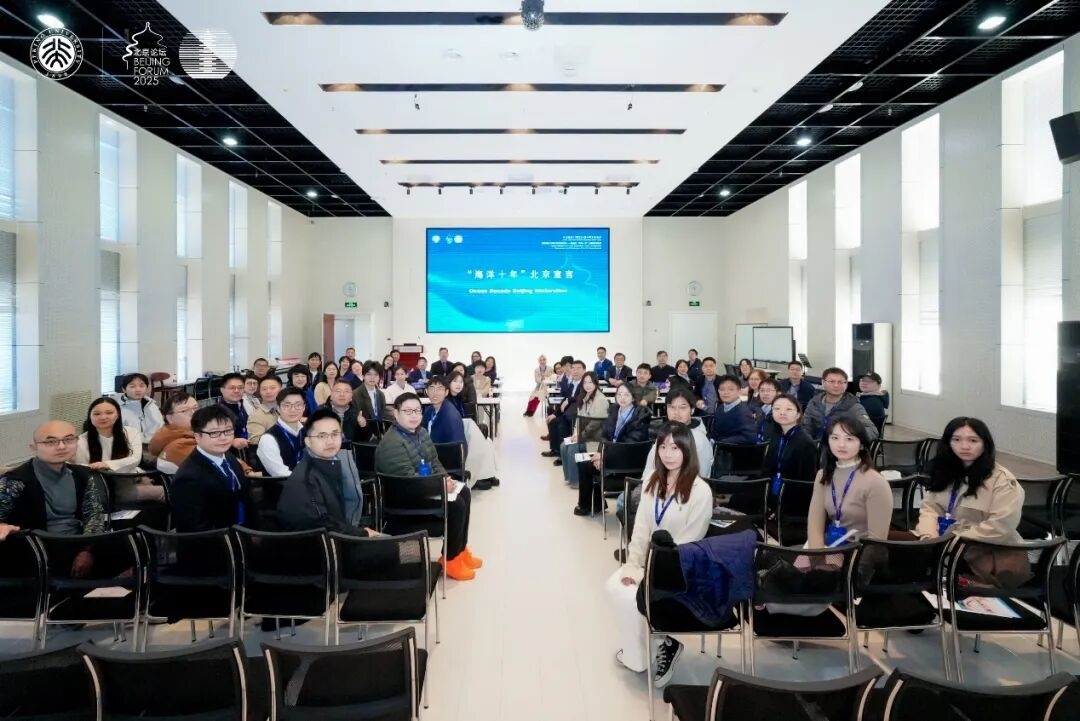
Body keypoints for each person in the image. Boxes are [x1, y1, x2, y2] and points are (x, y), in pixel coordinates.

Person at [605, 422, 712, 685]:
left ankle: (659, 645)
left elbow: (689, 542)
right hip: (650, 564)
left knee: (633, 596)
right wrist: (633, 566)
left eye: (675, 447)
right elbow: (641, 529)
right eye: (663, 447)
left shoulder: (700, 491)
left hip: (679, 568)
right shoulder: (653, 481)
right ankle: (645, 651)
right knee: (615, 587)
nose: (668, 454)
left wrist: (649, 574)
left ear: (687, 449)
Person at [374, 393, 482, 581]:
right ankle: (450, 560)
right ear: (396, 414)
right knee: (456, 505)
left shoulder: (421, 432)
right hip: (404, 500)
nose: (414, 416)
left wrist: (446, 478)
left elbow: (434, 461)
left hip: (423, 488)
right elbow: (408, 481)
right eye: (408, 411)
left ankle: (460, 551)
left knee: (464, 491)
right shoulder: (392, 443)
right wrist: (440, 486)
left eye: (417, 411)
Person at [915, 417, 1028, 584]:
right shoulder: (946, 472)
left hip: (987, 551)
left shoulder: (1002, 481)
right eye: (956, 440)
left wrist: (954, 540)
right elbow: (930, 508)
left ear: (985, 444)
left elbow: (1001, 526)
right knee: (897, 549)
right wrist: (928, 535)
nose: (964, 446)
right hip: (945, 543)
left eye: (973, 441)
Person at [0, 422, 107, 560]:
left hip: (78, 543)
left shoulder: (82, 475)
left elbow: (94, 515)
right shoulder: (16, 479)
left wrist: (87, 551)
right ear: (33, 447)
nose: (61, 446)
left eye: (68, 439)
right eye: (51, 442)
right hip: (35, 549)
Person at [276, 408, 375, 536]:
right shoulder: (306, 478)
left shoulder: (335, 461)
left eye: (335, 434)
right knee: (390, 544)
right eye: (321, 436)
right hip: (320, 543)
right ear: (308, 442)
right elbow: (320, 524)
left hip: (342, 532)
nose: (330, 441)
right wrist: (362, 534)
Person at [807, 417, 892, 548]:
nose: (841, 445)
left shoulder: (875, 482)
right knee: (788, 560)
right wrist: (817, 556)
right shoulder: (823, 475)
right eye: (835, 438)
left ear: (862, 445)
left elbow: (877, 541)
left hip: (860, 552)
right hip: (830, 547)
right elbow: (814, 526)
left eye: (849, 439)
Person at [171, 405, 255, 532]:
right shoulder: (188, 478)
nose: (223, 437)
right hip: (218, 539)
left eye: (228, 431)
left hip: (244, 530)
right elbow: (195, 527)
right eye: (214, 433)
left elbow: (246, 497)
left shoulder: (229, 457)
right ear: (198, 436)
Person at [575, 384, 653, 515]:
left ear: (633, 397)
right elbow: (605, 436)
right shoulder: (614, 411)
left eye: (626, 395)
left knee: (586, 466)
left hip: (627, 462)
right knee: (584, 462)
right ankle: (596, 504)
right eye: (619, 394)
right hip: (612, 455)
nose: (622, 398)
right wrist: (600, 453)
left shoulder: (640, 416)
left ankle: (587, 506)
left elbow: (629, 445)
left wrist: (604, 458)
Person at [427, 375, 499, 489]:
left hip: (446, 458)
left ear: (446, 392)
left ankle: (483, 476)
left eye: (439, 389)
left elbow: (455, 446)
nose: (435, 393)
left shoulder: (450, 412)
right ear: (426, 391)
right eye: (431, 388)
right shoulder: (430, 410)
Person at [801, 367, 878, 442]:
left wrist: (847, 436)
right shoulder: (814, 402)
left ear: (846, 384)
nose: (836, 385)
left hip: (840, 446)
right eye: (832, 381)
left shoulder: (853, 406)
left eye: (840, 382)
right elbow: (805, 426)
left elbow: (872, 431)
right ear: (823, 382)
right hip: (814, 445)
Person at [762, 394, 819, 491]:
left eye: (788, 409)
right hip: (772, 487)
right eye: (777, 409)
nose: (782, 413)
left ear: (798, 414)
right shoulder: (776, 435)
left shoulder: (805, 443)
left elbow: (807, 480)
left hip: (794, 492)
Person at [558, 371, 610, 476]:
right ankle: (569, 478)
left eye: (590, 382)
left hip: (594, 438)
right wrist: (575, 433)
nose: (587, 385)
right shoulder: (584, 397)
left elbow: (595, 424)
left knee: (572, 448)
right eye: (585, 382)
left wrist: (579, 436)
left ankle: (576, 480)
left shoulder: (601, 400)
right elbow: (579, 419)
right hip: (584, 435)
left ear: (596, 383)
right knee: (563, 445)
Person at [74, 397, 143, 474]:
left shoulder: (132, 432)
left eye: (109, 413)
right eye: (97, 414)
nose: (103, 417)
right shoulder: (80, 441)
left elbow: (136, 459)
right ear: (90, 417)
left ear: (118, 415)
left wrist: (106, 464)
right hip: (97, 478)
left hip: (129, 476)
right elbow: (82, 468)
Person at [257, 387, 307, 478]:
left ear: (304, 407)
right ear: (278, 408)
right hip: (282, 485)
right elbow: (280, 474)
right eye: (287, 405)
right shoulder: (268, 439)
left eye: (298, 405)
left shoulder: (309, 432)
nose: (293, 409)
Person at [149, 392, 199, 473]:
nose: (193, 413)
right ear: (169, 418)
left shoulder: (171, 437)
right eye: (184, 411)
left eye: (196, 408)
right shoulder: (181, 446)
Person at [708, 375, 757, 445]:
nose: (725, 392)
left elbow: (750, 437)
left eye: (731, 389)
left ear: (739, 391)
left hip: (731, 449)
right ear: (718, 391)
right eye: (722, 389)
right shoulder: (720, 408)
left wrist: (721, 442)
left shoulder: (743, 412)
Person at [112, 372, 164, 437]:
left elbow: (160, 425)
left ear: (147, 388)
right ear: (124, 389)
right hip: (128, 441)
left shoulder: (151, 404)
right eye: (132, 386)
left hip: (154, 440)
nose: (138, 390)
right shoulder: (116, 407)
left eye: (142, 386)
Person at [352, 360, 387, 442]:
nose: (372, 377)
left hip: (378, 436)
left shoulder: (381, 394)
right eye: (369, 374)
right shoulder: (355, 394)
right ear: (363, 375)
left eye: (376, 374)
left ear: (379, 377)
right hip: (362, 436)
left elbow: (382, 416)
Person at [217, 373, 251, 450]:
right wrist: (232, 441)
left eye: (240, 387)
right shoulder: (217, 412)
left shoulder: (242, 404)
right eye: (232, 388)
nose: (236, 391)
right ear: (222, 390)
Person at [247, 375, 283, 445]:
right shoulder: (256, 416)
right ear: (260, 392)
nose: (268, 391)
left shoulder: (286, 409)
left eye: (272, 388)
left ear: (281, 389)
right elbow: (255, 440)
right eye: (264, 389)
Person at [857, 372, 890, 438]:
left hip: (866, 436)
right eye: (863, 380)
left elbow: (856, 419)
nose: (864, 383)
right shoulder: (866, 397)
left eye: (869, 381)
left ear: (879, 386)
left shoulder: (873, 402)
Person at [750, 378, 782, 442]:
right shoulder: (762, 408)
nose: (765, 393)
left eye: (769, 390)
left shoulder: (780, 413)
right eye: (762, 390)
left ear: (778, 393)